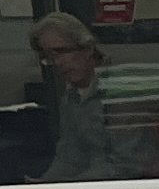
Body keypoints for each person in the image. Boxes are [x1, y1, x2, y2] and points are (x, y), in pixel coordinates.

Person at [27, 10, 125, 180]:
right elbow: (69, 157)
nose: (57, 63)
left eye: (62, 52)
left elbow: (125, 164)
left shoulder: (120, 91)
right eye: (49, 57)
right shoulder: (70, 98)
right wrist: (42, 186)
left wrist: (72, 186)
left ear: (87, 49)